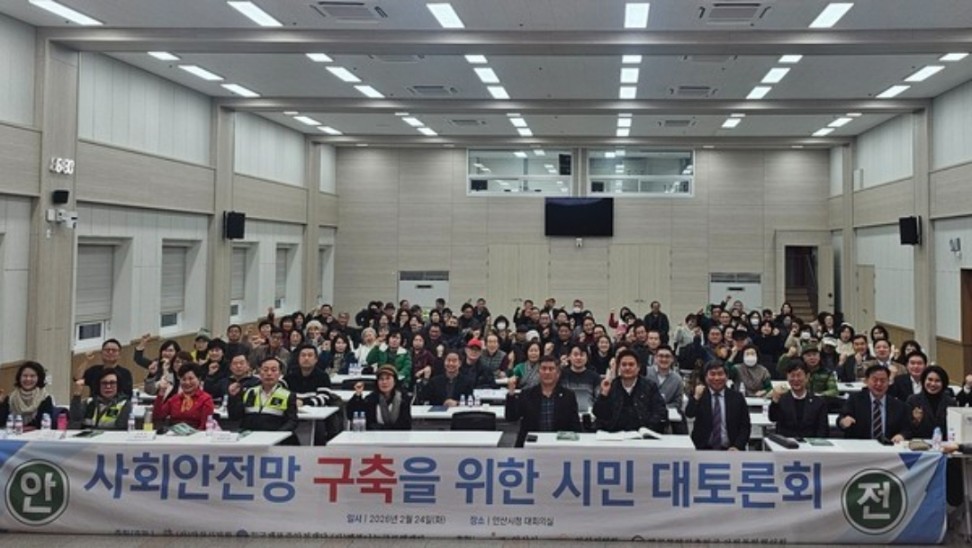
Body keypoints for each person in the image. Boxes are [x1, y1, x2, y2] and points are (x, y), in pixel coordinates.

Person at [505, 355, 581, 447]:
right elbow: (511, 417)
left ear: (558, 373)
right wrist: (511, 393)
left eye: (551, 369)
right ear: (538, 372)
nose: (547, 372)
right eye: (543, 369)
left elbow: (575, 426)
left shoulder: (568, 396)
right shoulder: (527, 394)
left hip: (559, 445)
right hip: (531, 445)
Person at [592, 349, 667, 432]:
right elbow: (599, 414)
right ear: (619, 367)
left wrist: (648, 429)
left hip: (643, 434)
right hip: (615, 434)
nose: (627, 368)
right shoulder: (611, 386)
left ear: (638, 368)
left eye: (631, 364)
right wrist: (604, 394)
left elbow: (660, 411)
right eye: (624, 365)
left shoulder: (650, 386)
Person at [228, 357, 299, 444]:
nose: (269, 373)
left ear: (280, 374)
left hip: (274, 439)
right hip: (249, 438)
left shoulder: (287, 395)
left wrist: (277, 435)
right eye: (265, 370)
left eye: (273, 370)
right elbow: (234, 416)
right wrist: (233, 397)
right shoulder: (249, 392)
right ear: (259, 373)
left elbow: (292, 421)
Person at [685, 360, 751, 451]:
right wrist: (696, 397)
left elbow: (745, 426)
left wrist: (737, 446)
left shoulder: (737, 397)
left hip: (731, 450)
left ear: (727, 377)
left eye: (720, 374)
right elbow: (689, 414)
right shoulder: (700, 395)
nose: (716, 378)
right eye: (712, 374)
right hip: (703, 448)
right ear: (706, 377)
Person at [837, 364, 907, 441]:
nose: (879, 384)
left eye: (883, 381)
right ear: (866, 381)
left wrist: (902, 435)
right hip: (860, 445)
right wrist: (843, 422)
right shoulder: (855, 400)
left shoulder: (897, 405)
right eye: (875, 380)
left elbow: (906, 428)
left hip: (888, 446)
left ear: (889, 382)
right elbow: (841, 418)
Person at [768, 359, 829, 439]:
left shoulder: (818, 402)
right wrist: (775, 400)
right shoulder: (782, 399)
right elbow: (773, 418)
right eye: (792, 376)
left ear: (807, 377)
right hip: (786, 443)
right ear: (787, 377)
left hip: (810, 444)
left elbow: (823, 430)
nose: (796, 379)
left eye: (799, 375)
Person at [347, 364, 412, 430]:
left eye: (388, 378)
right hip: (374, 435)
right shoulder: (371, 399)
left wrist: (381, 427)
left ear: (395, 381)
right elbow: (352, 415)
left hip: (398, 435)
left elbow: (406, 425)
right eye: (381, 379)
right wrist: (358, 395)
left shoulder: (404, 399)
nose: (384, 382)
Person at [151, 363, 215, 430]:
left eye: (191, 379)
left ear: (199, 379)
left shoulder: (206, 399)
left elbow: (205, 426)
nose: (187, 382)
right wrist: (161, 392)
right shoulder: (174, 399)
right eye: (183, 379)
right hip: (174, 434)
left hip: (197, 434)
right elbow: (157, 416)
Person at [643, 345, 687, 434]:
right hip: (646, 414)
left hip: (667, 416)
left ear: (672, 359)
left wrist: (662, 409)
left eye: (667, 356)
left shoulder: (677, 379)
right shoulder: (645, 373)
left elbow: (677, 402)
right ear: (655, 358)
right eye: (661, 356)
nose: (664, 359)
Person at [0, 361, 55, 429]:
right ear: (19, 377)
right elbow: (1, 421)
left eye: (32, 376)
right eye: (25, 376)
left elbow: (45, 424)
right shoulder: (11, 398)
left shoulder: (45, 398)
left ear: (39, 378)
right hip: (13, 434)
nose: (28, 379)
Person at [560, 343, 600, 413]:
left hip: (587, 416)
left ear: (587, 357)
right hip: (566, 415)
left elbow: (598, 399)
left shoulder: (594, 377)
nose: (578, 357)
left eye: (582, 355)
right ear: (569, 357)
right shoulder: (562, 375)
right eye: (575, 355)